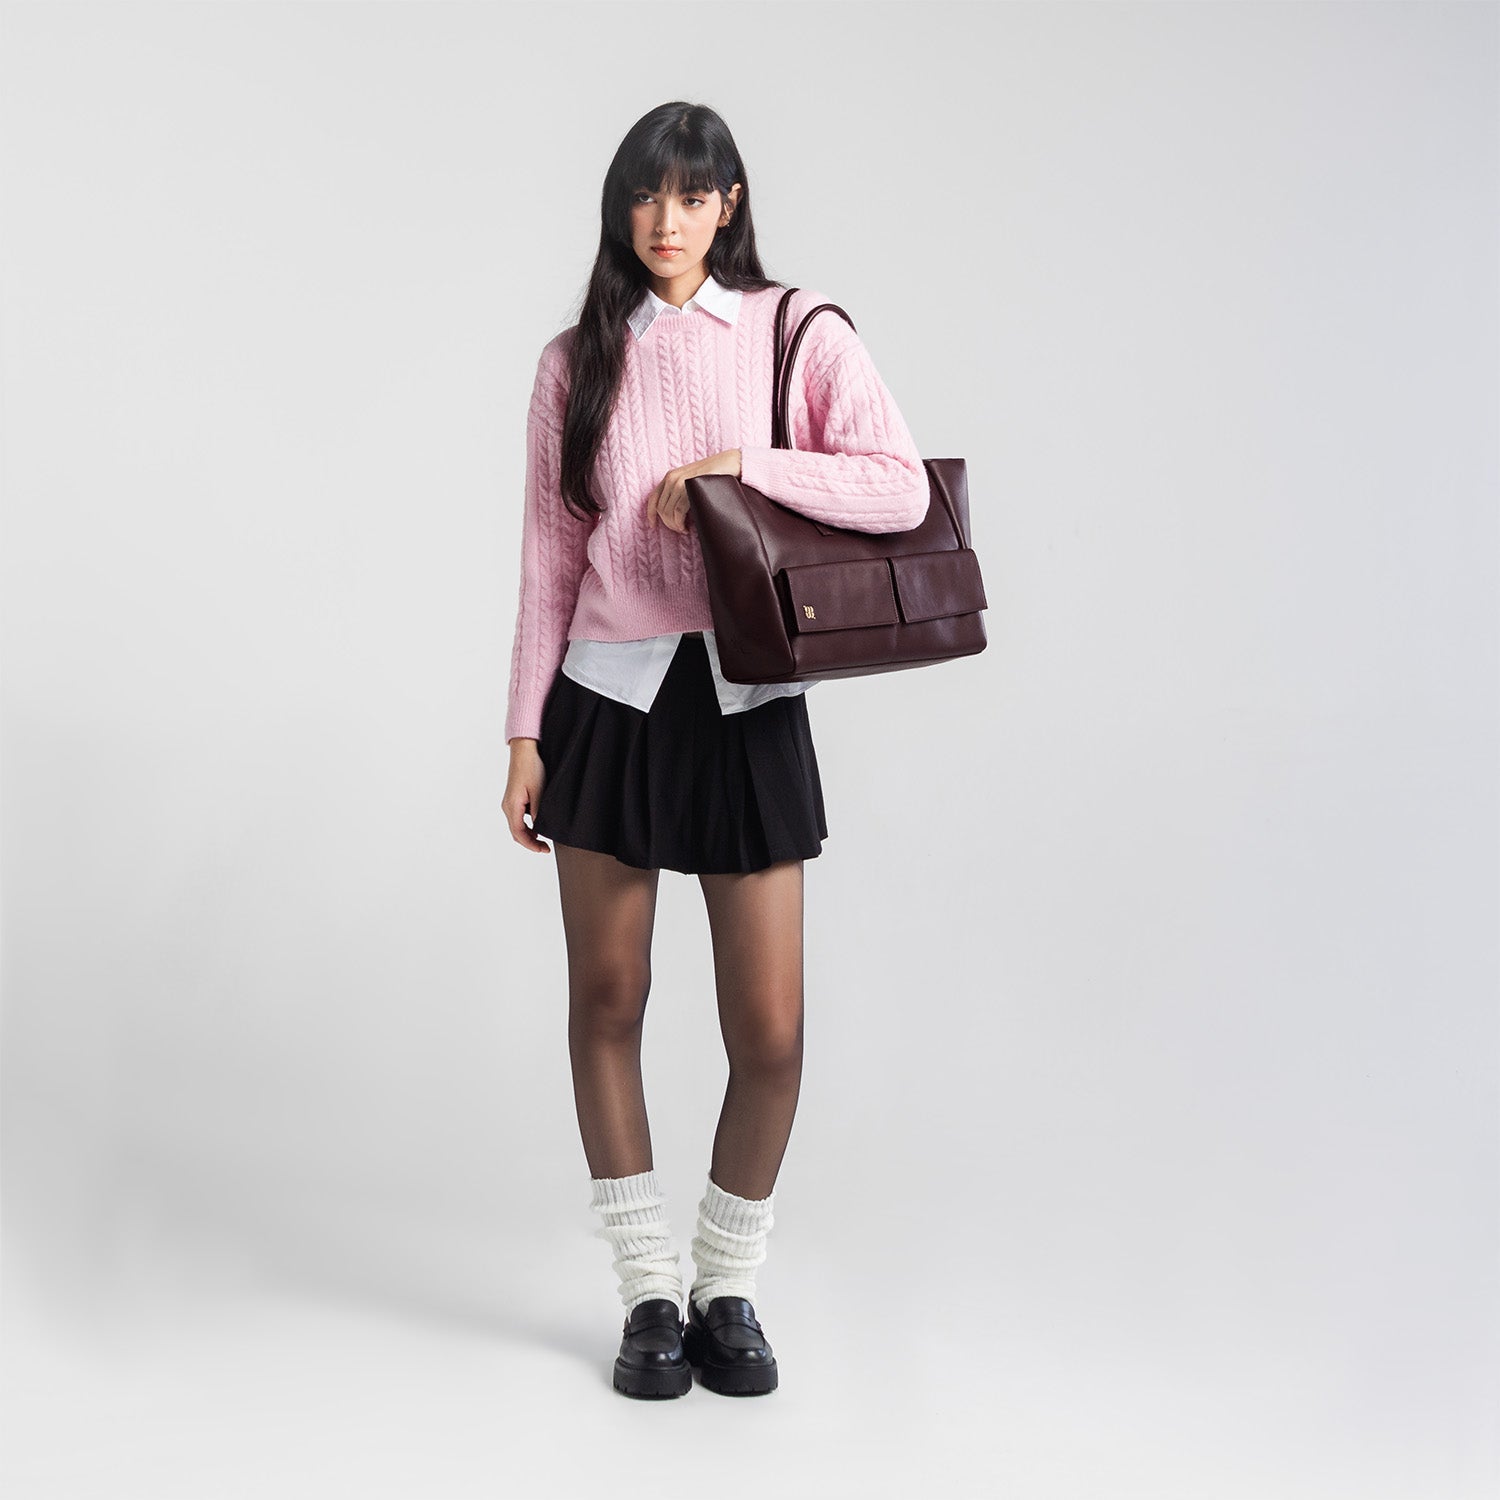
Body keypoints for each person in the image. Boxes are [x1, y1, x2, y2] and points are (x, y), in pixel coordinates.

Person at [500, 101, 928, 1399]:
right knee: (607, 1003)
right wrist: (524, 732)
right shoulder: (575, 362)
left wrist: (743, 468)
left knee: (772, 1033)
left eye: (693, 196)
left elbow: (899, 484)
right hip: (606, 706)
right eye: (647, 195)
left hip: (747, 706)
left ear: (730, 204)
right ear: (621, 208)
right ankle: (647, 1293)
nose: (667, 220)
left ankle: (725, 1282)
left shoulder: (797, 330)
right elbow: (549, 562)